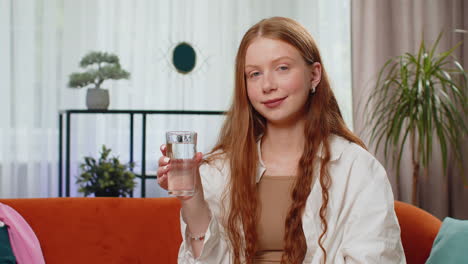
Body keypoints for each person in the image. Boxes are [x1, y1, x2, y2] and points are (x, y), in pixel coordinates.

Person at [157, 16, 406, 264]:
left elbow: (378, 258)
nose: (267, 85)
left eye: (282, 68)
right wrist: (193, 198)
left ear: (314, 74)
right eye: (254, 74)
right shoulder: (218, 170)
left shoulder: (358, 168)